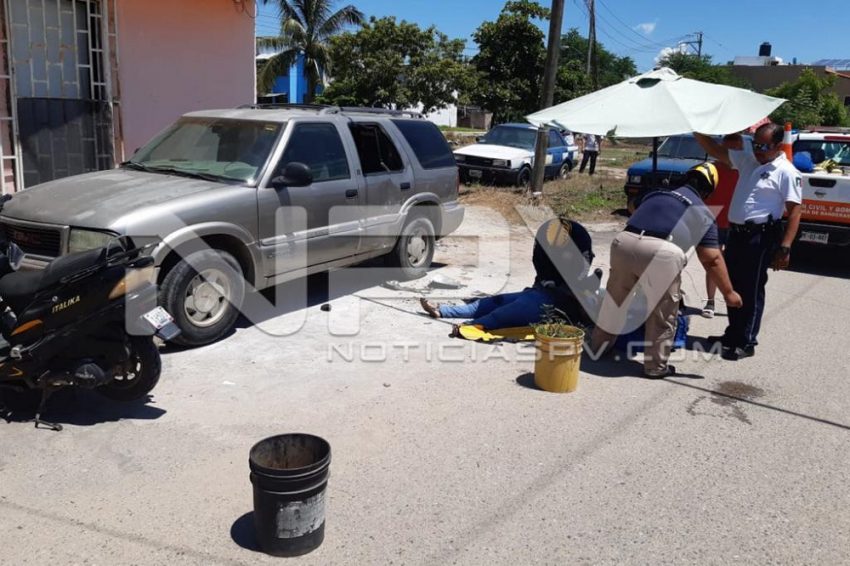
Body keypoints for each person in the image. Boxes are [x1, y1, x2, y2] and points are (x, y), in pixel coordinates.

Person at [590, 163, 743, 378]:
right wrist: (728, 293)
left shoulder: (657, 193)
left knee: (615, 302)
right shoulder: (702, 211)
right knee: (662, 314)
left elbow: (632, 206)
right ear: (708, 192)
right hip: (661, 252)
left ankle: (598, 348)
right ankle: (655, 367)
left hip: (625, 242)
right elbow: (712, 259)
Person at [694, 123, 802, 360]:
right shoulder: (748, 161)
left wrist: (785, 247)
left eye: (763, 146)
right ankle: (733, 334)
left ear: (777, 145)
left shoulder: (786, 171)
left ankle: (747, 340)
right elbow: (716, 150)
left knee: (751, 289)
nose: (757, 150)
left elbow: (795, 211)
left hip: (760, 236)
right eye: (755, 145)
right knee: (732, 284)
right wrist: (695, 128)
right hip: (737, 234)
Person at [420, 217, 598, 330]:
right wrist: (547, 282)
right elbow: (539, 261)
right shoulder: (547, 237)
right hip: (539, 292)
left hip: (554, 302)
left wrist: (565, 290)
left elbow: (580, 277)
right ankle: (443, 311)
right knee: (493, 302)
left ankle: (473, 326)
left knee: (506, 312)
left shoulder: (580, 244)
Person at [701, 133, 742, 318]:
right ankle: (710, 301)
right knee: (713, 263)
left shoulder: (744, 169)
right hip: (713, 219)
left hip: (735, 220)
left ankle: (732, 298)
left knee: (733, 263)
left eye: (735, 148)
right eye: (727, 148)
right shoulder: (711, 169)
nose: (731, 152)